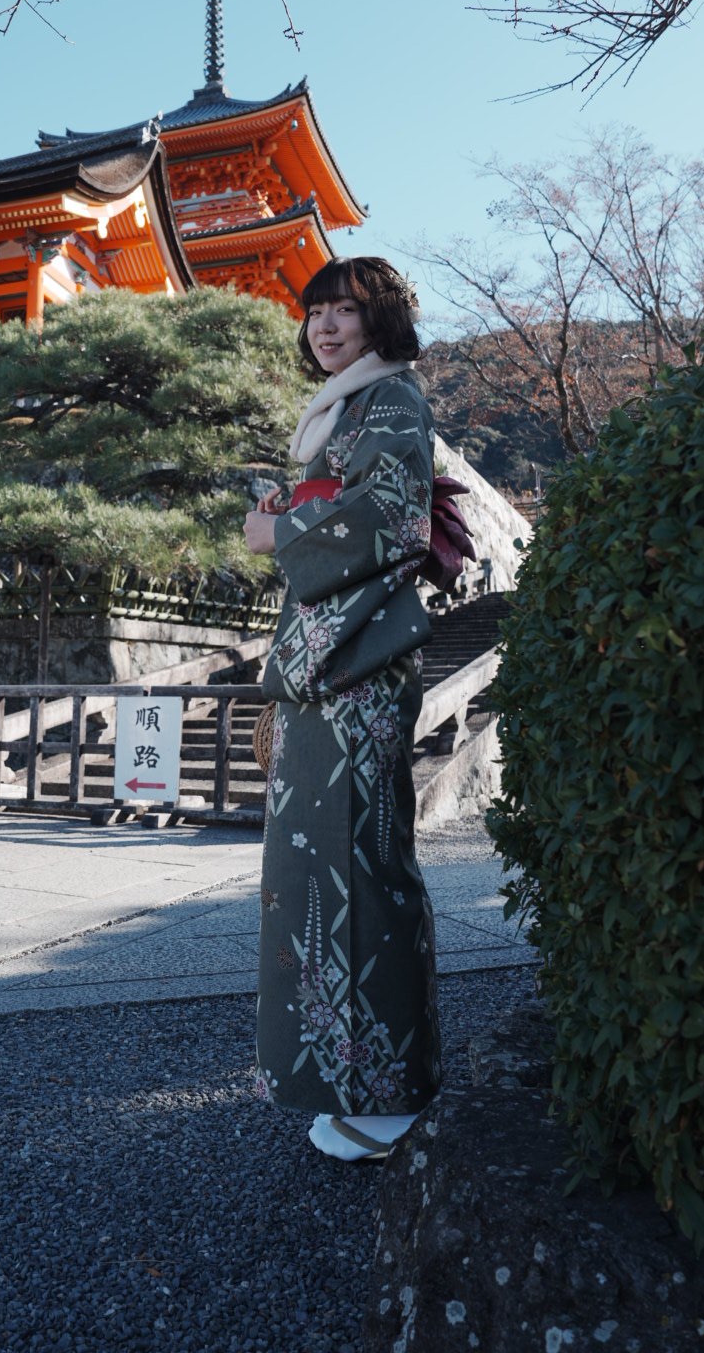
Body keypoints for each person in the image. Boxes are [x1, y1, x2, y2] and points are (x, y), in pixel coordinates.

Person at [243, 255, 441, 1162]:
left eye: (346, 312)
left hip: (355, 675)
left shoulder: (392, 402)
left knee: (361, 868)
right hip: (335, 671)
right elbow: (346, 509)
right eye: (316, 311)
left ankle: (390, 1088)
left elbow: (389, 523)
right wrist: (294, 510)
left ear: (381, 323)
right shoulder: (347, 408)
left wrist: (277, 530)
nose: (326, 327)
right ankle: (346, 1073)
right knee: (321, 871)